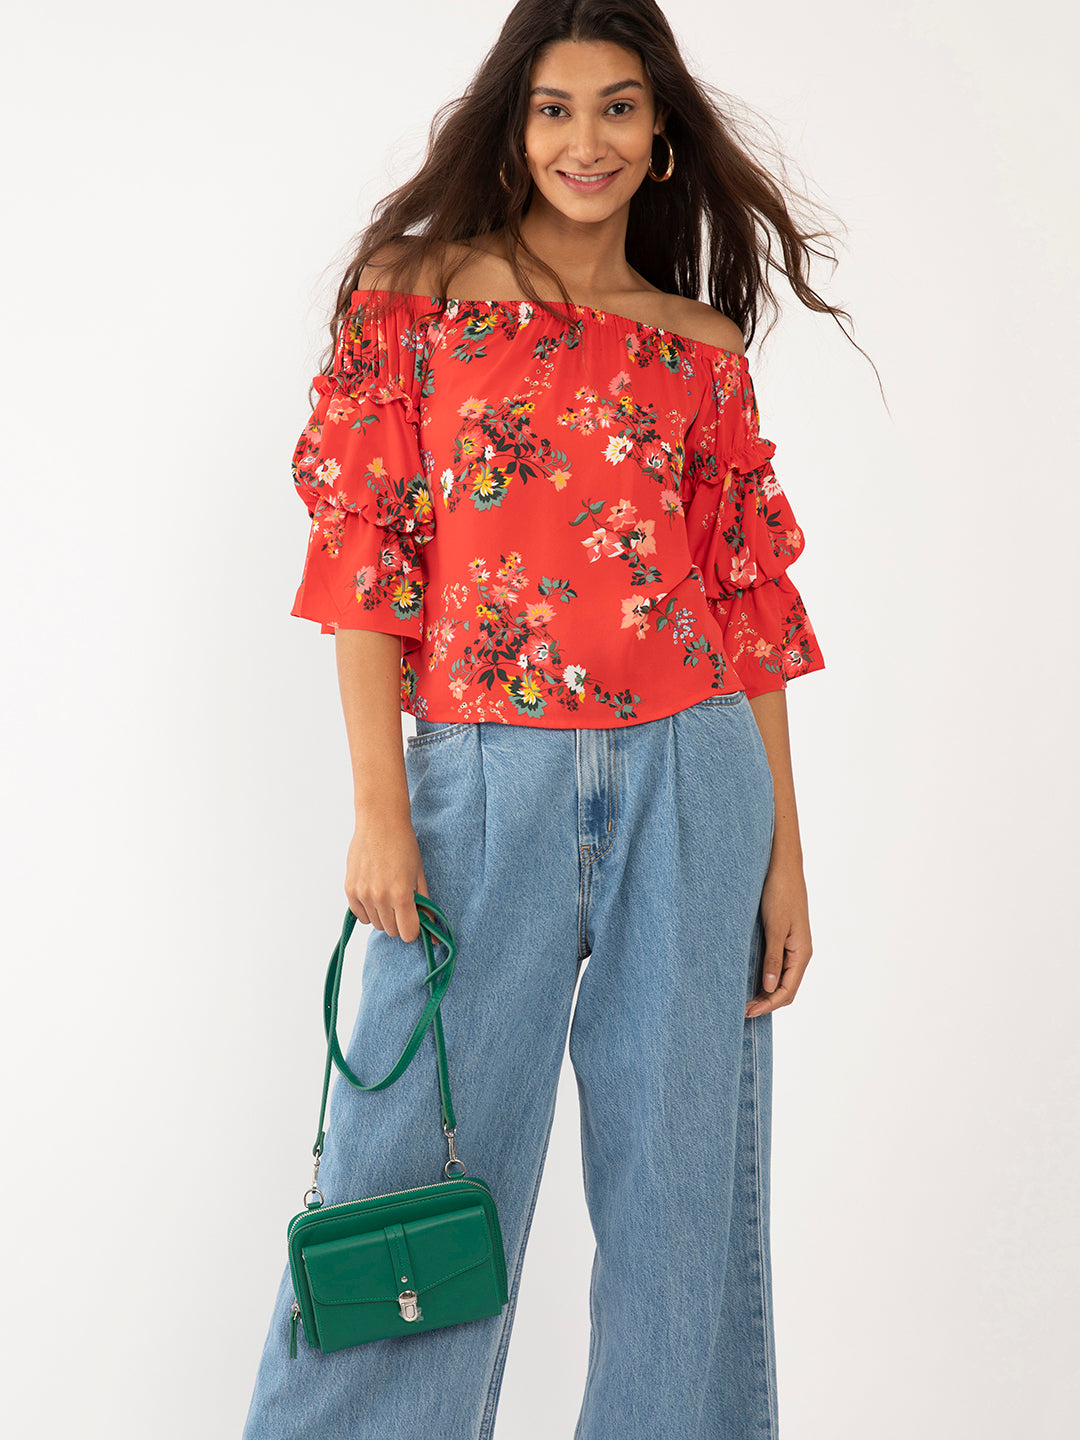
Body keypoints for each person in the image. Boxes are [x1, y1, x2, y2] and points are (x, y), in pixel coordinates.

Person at [243, 1, 856, 1435]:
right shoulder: (418, 295)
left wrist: (785, 854)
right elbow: (367, 560)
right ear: (514, 131)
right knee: (403, 1166)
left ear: (661, 137)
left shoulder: (699, 345)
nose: (589, 139)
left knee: (679, 1191)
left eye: (620, 107)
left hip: (695, 779)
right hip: (476, 781)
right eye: (556, 107)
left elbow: (745, 613)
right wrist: (379, 810)